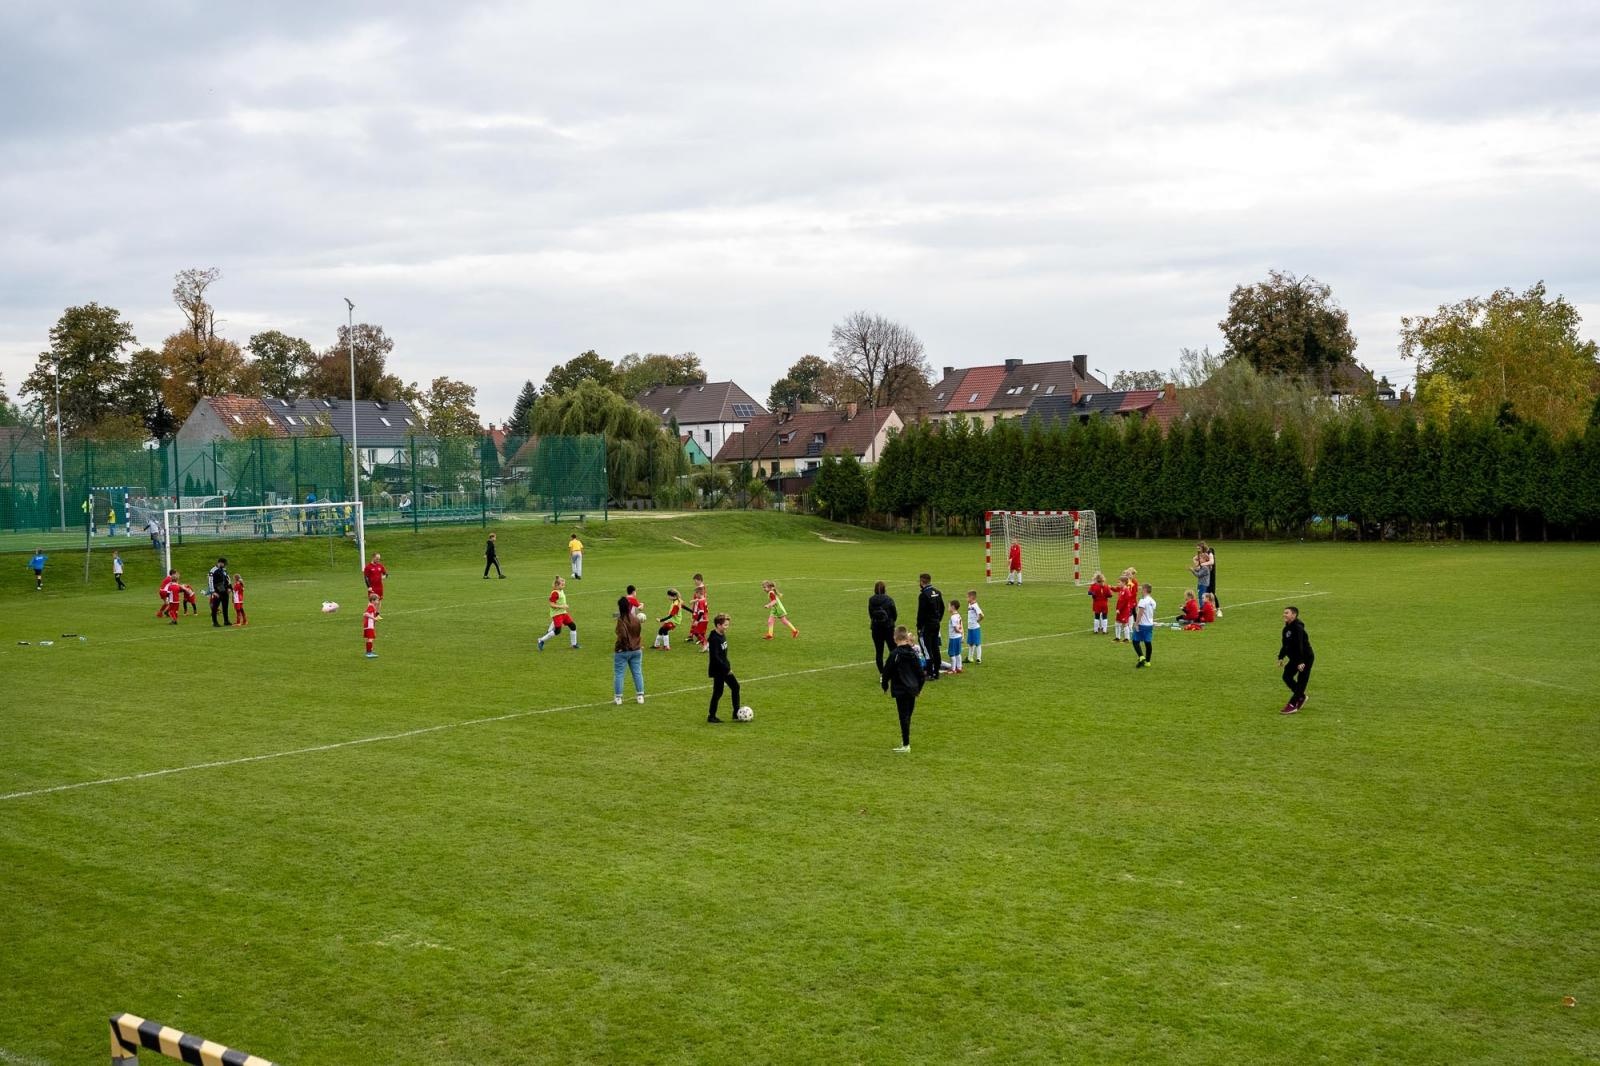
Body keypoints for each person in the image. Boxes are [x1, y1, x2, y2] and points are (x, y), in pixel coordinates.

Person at [880, 625, 924, 753]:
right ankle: (905, 742)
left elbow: (886, 671)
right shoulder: (913, 653)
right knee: (908, 716)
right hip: (912, 689)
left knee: (903, 717)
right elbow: (920, 673)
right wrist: (919, 688)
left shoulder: (895, 654)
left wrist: (885, 686)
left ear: (895, 638)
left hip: (901, 689)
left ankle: (906, 744)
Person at [1277, 606, 1314, 713]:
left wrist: (1301, 661)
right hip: (1295, 658)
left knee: (1301, 681)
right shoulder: (1286, 629)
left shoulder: (1298, 628)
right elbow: (1285, 644)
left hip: (1305, 657)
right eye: (1284, 612)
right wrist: (1280, 657)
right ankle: (1301, 696)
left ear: (1294, 615)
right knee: (1287, 676)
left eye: (1287, 613)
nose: (1284, 614)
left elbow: (1300, 645)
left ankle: (1293, 704)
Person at [706, 612, 741, 724]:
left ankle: (736, 713)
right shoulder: (714, 638)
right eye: (725, 625)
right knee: (718, 692)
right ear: (718, 625)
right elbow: (715, 657)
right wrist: (727, 669)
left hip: (724, 667)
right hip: (719, 669)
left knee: (735, 687)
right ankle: (711, 716)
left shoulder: (721, 634)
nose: (727, 627)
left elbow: (723, 654)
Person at [613, 594, 645, 704]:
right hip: (636, 649)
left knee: (619, 674)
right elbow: (638, 633)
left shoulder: (621, 620)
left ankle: (618, 698)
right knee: (637, 673)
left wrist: (621, 648)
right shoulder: (636, 619)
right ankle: (640, 695)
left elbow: (622, 635)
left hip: (624, 650)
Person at [915, 573, 945, 679]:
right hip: (936, 624)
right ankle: (936, 671)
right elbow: (942, 608)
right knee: (935, 647)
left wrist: (919, 626)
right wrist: (938, 619)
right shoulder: (937, 592)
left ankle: (930, 673)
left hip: (926, 626)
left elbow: (921, 613)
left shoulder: (923, 595)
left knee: (927, 649)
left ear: (922, 582)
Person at [538, 576, 580, 651]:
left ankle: (574, 644)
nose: (564, 585)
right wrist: (562, 606)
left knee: (573, 626)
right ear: (557, 585)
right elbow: (551, 604)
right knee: (557, 631)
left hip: (563, 613)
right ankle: (541, 640)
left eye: (564, 584)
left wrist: (559, 578)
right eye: (562, 584)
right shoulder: (555, 593)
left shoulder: (561, 590)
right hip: (557, 614)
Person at [868, 580, 897, 674]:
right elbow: (894, 613)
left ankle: (882, 673)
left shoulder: (871, 600)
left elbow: (871, 614)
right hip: (888, 628)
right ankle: (893, 670)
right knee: (893, 650)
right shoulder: (889, 599)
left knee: (879, 652)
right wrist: (891, 621)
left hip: (876, 628)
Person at [1133, 582, 1156, 668]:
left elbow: (1140, 613)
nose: (1141, 590)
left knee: (1135, 641)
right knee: (1148, 642)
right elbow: (1152, 613)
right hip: (1149, 625)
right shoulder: (1153, 601)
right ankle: (1148, 662)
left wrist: (1136, 623)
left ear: (1145, 590)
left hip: (1142, 624)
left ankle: (1141, 657)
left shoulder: (1143, 601)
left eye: (1142, 589)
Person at [1113, 569, 1137, 643]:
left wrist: (1119, 609)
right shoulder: (1121, 589)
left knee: (1124, 624)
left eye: (1119, 582)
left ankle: (1127, 638)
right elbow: (1119, 600)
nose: (1118, 583)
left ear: (1123, 583)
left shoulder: (1126, 591)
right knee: (1117, 623)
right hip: (1120, 609)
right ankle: (1117, 637)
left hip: (1124, 610)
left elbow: (1125, 602)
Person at [208, 557, 232, 626]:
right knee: (215, 607)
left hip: (224, 590)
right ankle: (215, 622)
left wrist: (229, 587)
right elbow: (210, 581)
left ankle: (226, 621)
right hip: (217, 591)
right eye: (224, 564)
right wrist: (213, 592)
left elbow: (228, 578)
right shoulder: (213, 570)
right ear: (220, 563)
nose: (225, 565)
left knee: (225, 606)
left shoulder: (224, 570)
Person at [1199, 543, 1221, 616]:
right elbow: (1195, 559)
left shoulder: (1210, 552)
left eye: (1199, 548)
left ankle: (1218, 609)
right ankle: (1206, 609)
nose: (1198, 550)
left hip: (1211, 575)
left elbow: (1212, 562)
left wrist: (1202, 564)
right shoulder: (1202, 553)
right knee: (1205, 592)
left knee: (1212, 593)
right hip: (1205, 575)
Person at [689, 576, 710, 651]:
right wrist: (694, 601)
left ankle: (706, 644)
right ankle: (705, 645)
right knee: (698, 632)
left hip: (702, 619)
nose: (695, 595)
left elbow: (701, 612)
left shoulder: (700, 602)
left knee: (696, 632)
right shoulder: (703, 599)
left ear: (698, 593)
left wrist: (697, 621)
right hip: (705, 619)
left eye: (696, 594)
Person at [965, 589, 985, 665]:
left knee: (977, 643)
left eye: (967, 597)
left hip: (975, 627)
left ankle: (979, 658)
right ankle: (970, 658)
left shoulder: (975, 606)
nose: (966, 599)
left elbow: (982, 615)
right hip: (970, 627)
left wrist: (978, 621)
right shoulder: (970, 604)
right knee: (970, 643)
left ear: (972, 597)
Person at [946, 601, 965, 675]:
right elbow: (960, 625)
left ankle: (953, 669)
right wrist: (962, 634)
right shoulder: (958, 615)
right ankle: (959, 668)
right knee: (958, 653)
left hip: (953, 638)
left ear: (953, 607)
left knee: (952, 654)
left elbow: (956, 629)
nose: (948, 608)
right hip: (958, 637)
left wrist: (959, 631)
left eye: (949, 606)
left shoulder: (953, 617)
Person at [363, 592, 381, 658]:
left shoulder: (371, 605)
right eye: (377, 600)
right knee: (371, 638)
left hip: (367, 625)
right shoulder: (371, 606)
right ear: (373, 600)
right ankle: (369, 653)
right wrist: (374, 618)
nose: (378, 601)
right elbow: (365, 614)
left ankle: (368, 651)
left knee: (369, 638)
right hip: (369, 626)